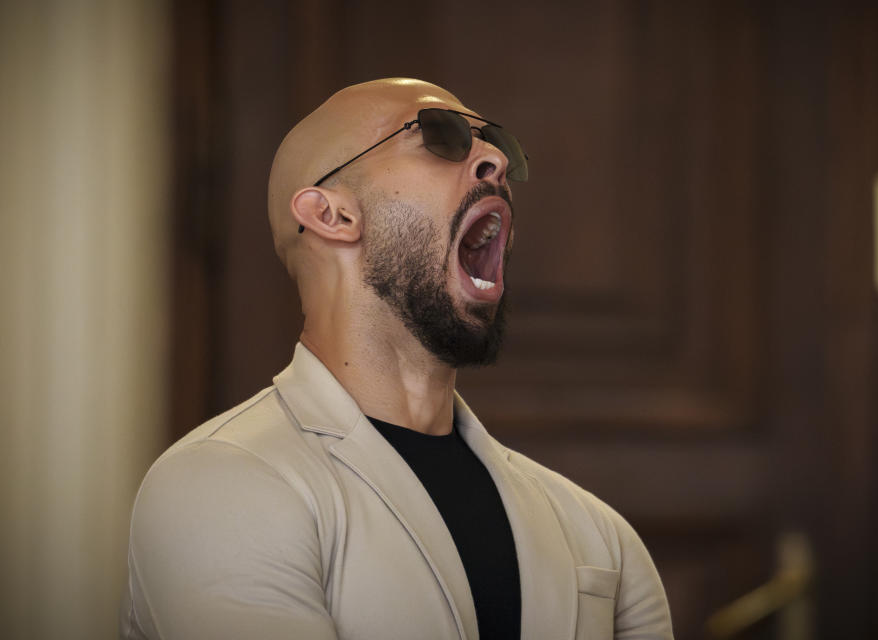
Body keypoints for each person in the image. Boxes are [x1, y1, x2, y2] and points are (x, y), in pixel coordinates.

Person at [121, 78, 673, 640]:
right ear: (332, 215)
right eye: (441, 136)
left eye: (495, 143)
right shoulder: (223, 482)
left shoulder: (597, 533)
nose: (495, 161)